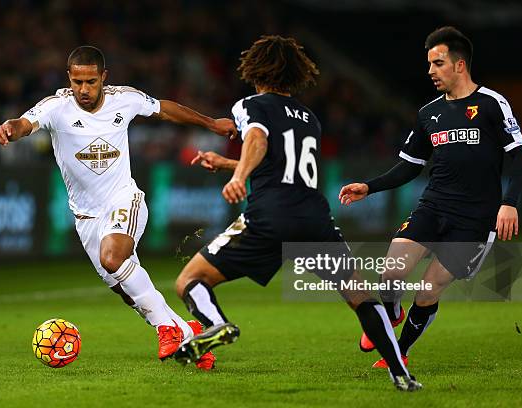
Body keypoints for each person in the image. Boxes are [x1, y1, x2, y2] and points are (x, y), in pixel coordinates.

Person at [172, 35, 422, 391]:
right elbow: (280, 163)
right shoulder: (309, 118)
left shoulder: (250, 105)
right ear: (295, 73)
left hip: (270, 214)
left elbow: (257, 142)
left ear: (256, 68)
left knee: (190, 280)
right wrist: (229, 163)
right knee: (361, 296)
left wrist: (239, 175)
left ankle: (215, 325)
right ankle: (401, 373)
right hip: (314, 218)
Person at [0, 46, 237, 370]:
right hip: (86, 218)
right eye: (78, 81)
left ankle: (167, 329)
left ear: (103, 78)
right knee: (128, 293)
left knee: (113, 258)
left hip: (124, 199)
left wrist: (210, 123)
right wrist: (10, 128)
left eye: (91, 81)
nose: (83, 89)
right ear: (69, 78)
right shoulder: (56, 107)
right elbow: (25, 122)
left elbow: (164, 110)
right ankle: (186, 330)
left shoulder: (125, 98)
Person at [338, 26, 522, 368]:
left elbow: (519, 155)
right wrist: (370, 186)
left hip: (475, 219)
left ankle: (401, 351)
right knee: (391, 273)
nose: (430, 71)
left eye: (438, 63)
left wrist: (510, 202)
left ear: (459, 65)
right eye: (429, 64)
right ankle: (392, 313)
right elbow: (408, 166)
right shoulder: (429, 113)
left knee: (427, 291)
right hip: (433, 205)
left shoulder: (491, 104)